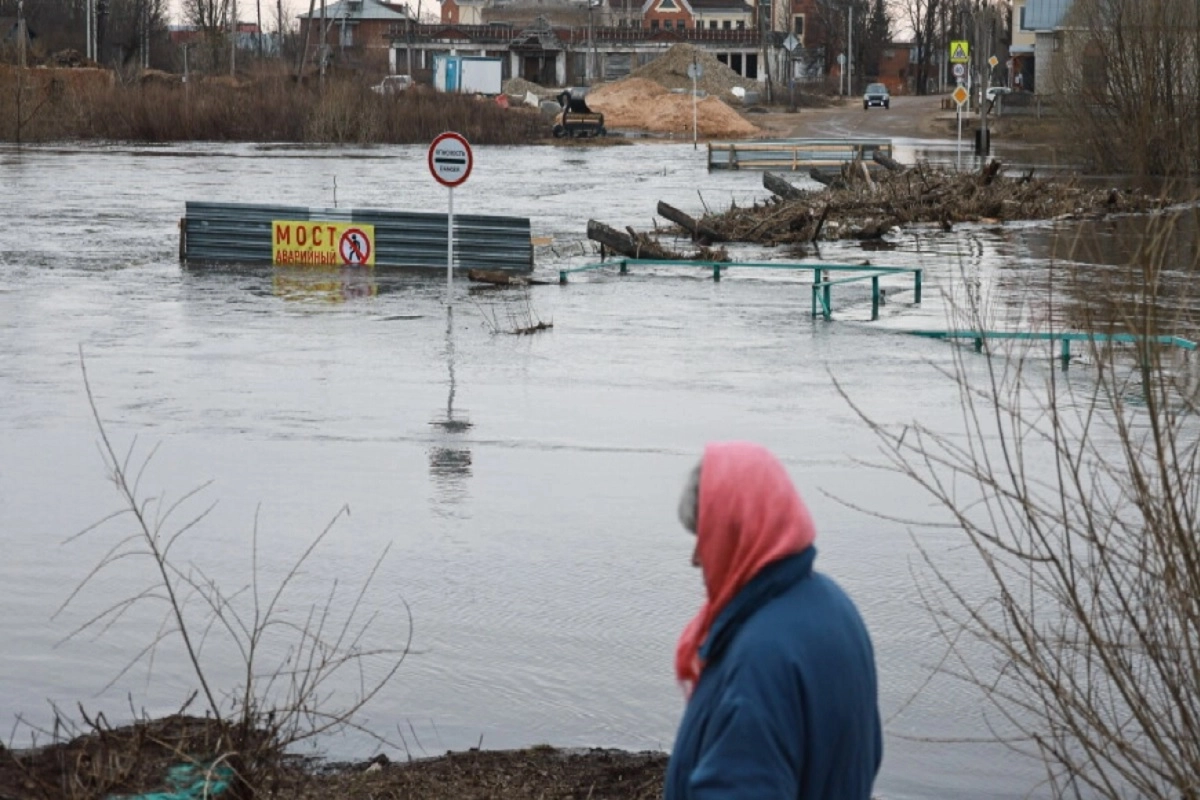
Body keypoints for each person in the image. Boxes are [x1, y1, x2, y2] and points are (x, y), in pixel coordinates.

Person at [664, 441, 882, 799]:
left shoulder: (761, 658)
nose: (696, 559)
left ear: (735, 533)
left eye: (704, 538)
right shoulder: (835, 607)